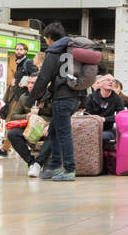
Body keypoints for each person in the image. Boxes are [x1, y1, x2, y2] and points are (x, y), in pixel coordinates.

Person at [25, 22, 89, 181]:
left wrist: (30, 100)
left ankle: (69, 169)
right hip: (75, 97)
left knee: (63, 134)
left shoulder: (54, 52)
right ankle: (52, 167)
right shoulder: (73, 52)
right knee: (53, 131)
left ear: (50, 38)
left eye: (45, 38)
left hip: (62, 97)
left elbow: (43, 78)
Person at [85, 75, 128, 149]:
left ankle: (102, 159)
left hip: (108, 129)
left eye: (113, 81)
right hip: (92, 128)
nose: (111, 82)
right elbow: (86, 114)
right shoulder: (92, 97)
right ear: (100, 83)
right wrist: (96, 119)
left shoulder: (117, 99)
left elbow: (121, 116)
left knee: (100, 136)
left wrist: (105, 119)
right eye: (108, 80)